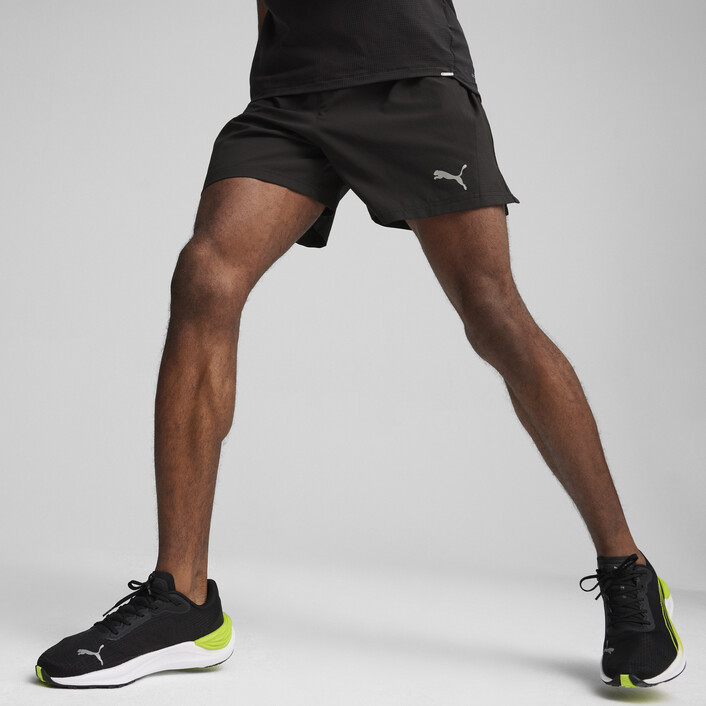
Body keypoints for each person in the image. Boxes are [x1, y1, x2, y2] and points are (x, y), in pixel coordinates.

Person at [35, 0, 685, 690]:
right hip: (290, 93)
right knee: (204, 277)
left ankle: (627, 568)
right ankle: (183, 600)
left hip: (408, 78)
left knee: (492, 312)